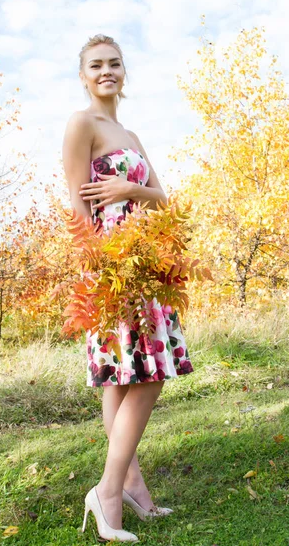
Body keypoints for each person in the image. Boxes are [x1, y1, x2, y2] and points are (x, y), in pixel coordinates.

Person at [62, 34, 194, 543]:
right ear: (83, 75)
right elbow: (77, 208)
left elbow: (163, 199)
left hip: (146, 263)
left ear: (124, 71)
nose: (106, 71)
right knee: (144, 373)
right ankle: (109, 490)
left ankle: (132, 486)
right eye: (95, 65)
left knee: (126, 377)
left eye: (114, 63)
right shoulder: (81, 124)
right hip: (111, 265)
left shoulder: (131, 135)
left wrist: (130, 188)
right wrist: (95, 272)